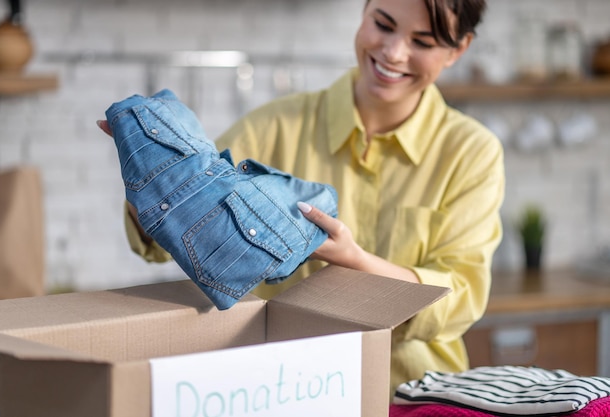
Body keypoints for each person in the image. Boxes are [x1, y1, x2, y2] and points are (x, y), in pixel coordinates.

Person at [102, 0, 504, 401]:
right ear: (364, 11)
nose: (394, 53)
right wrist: (154, 180)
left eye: (423, 41)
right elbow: (164, 241)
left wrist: (356, 262)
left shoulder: (470, 152)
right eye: (383, 24)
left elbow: (460, 297)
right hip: (284, 392)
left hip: (414, 396)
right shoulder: (275, 125)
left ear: (458, 49)